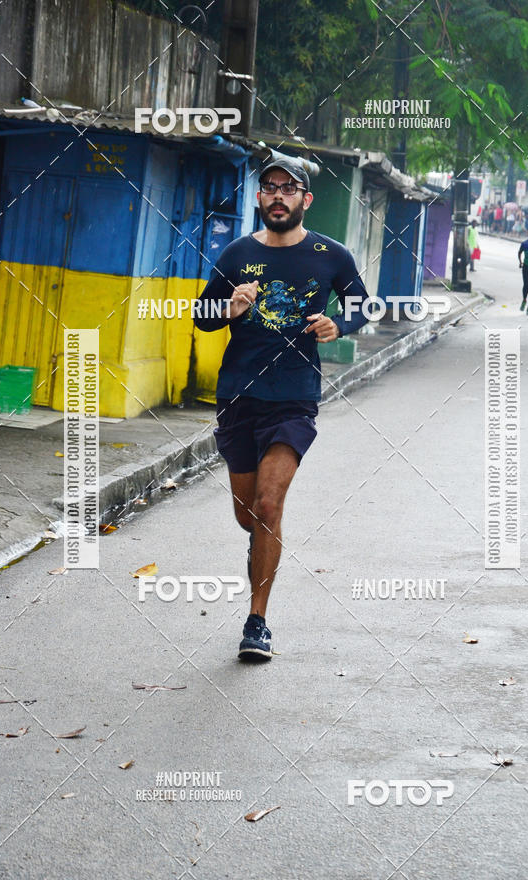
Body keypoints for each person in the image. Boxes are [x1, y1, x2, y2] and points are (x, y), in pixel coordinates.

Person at [194, 160, 369, 660]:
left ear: (305, 200)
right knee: (248, 514)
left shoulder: (329, 255)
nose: (278, 196)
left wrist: (340, 324)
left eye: (288, 189)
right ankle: (261, 544)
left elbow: (360, 304)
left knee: (270, 506)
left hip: (293, 399)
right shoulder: (237, 253)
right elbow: (201, 316)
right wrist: (228, 309)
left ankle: (257, 622)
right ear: (258, 198)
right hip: (238, 398)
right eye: (269, 187)